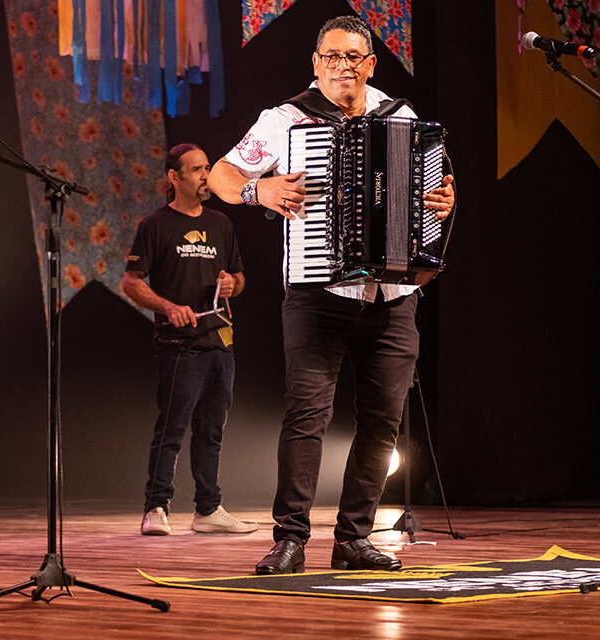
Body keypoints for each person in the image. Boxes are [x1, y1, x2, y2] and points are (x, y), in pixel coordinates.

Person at [208, 15, 455, 574]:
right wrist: (258, 189)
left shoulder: (402, 116)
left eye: (352, 57)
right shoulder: (285, 120)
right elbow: (221, 176)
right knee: (307, 416)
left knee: (382, 421)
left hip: (393, 293)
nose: (341, 66)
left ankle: (354, 538)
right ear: (315, 63)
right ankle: (291, 538)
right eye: (330, 56)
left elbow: (439, 187)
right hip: (318, 292)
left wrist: (442, 205)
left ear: (369, 64)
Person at [122, 143, 258, 536]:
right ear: (174, 178)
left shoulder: (221, 223)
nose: (204, 176)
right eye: (196, 169)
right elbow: (131, 283)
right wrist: (167, 307)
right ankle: (156, 507)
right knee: (172, 428)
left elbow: (240, 276)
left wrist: (234, 284)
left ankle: (208, 509)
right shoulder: (155, 225)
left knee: (211, 430)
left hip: (220, 340)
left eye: (206, 169)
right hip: (179, 345)